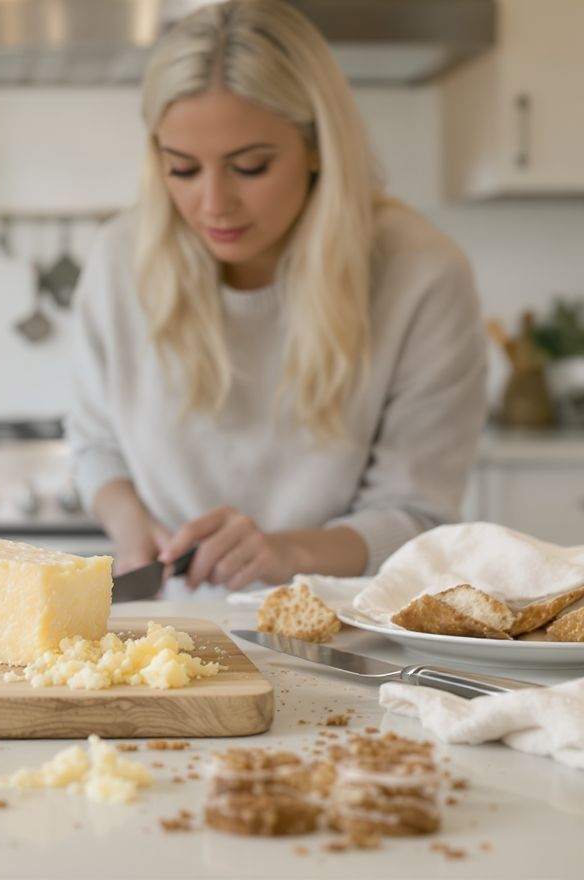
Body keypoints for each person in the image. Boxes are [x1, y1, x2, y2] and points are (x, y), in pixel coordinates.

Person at [66, 0, 487, 593]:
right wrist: (130, 525)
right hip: (170, 617)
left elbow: (419, 515)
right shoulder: (119, 258)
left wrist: (285, 552)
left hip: (343, 620)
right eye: (183, 169)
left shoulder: (424, 276)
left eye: (251, 166)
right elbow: (95, 447)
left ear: (317, 146)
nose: (213, 205)